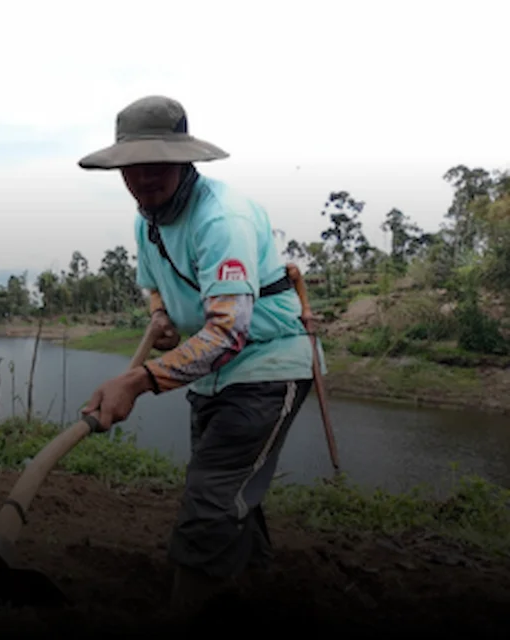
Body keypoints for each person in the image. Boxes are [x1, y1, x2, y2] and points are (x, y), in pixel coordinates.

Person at [77, 95, 325, 615]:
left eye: (157, 164)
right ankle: (253, 596)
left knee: (211, 504)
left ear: (184, 159)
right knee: (228, 489)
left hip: (265, 368)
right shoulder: (148, 221)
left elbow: (229, 333)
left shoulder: (221, 219)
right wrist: (163, 316)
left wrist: (138, 380)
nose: (144, 178)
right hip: (211, 376)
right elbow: (155, 288)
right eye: (132, 167)